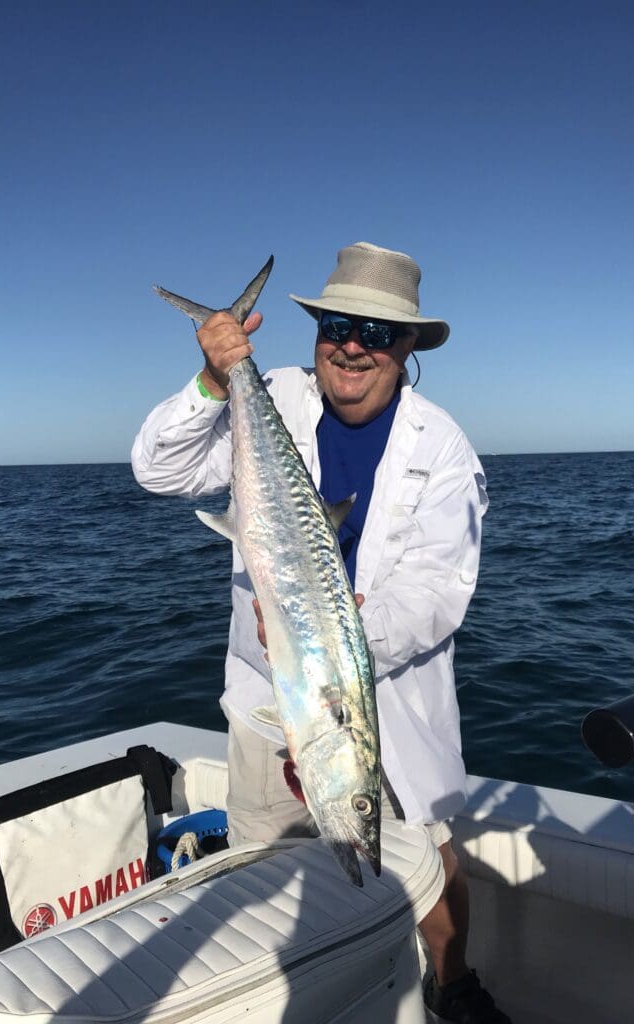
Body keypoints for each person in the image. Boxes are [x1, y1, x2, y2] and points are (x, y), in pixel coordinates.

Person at [132, 242, 509, 1023]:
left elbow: (439, 595)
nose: (353, 346)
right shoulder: (270, 396)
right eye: (339, 325)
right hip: (268, 697)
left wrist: (332, 640)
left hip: (383, 697)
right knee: (264, 864)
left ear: (408, 347)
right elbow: (160, 472)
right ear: (317, 332)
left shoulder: (443, 450)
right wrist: (214, 378)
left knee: (431, 862)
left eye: (378, 334)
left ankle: (454, 982)